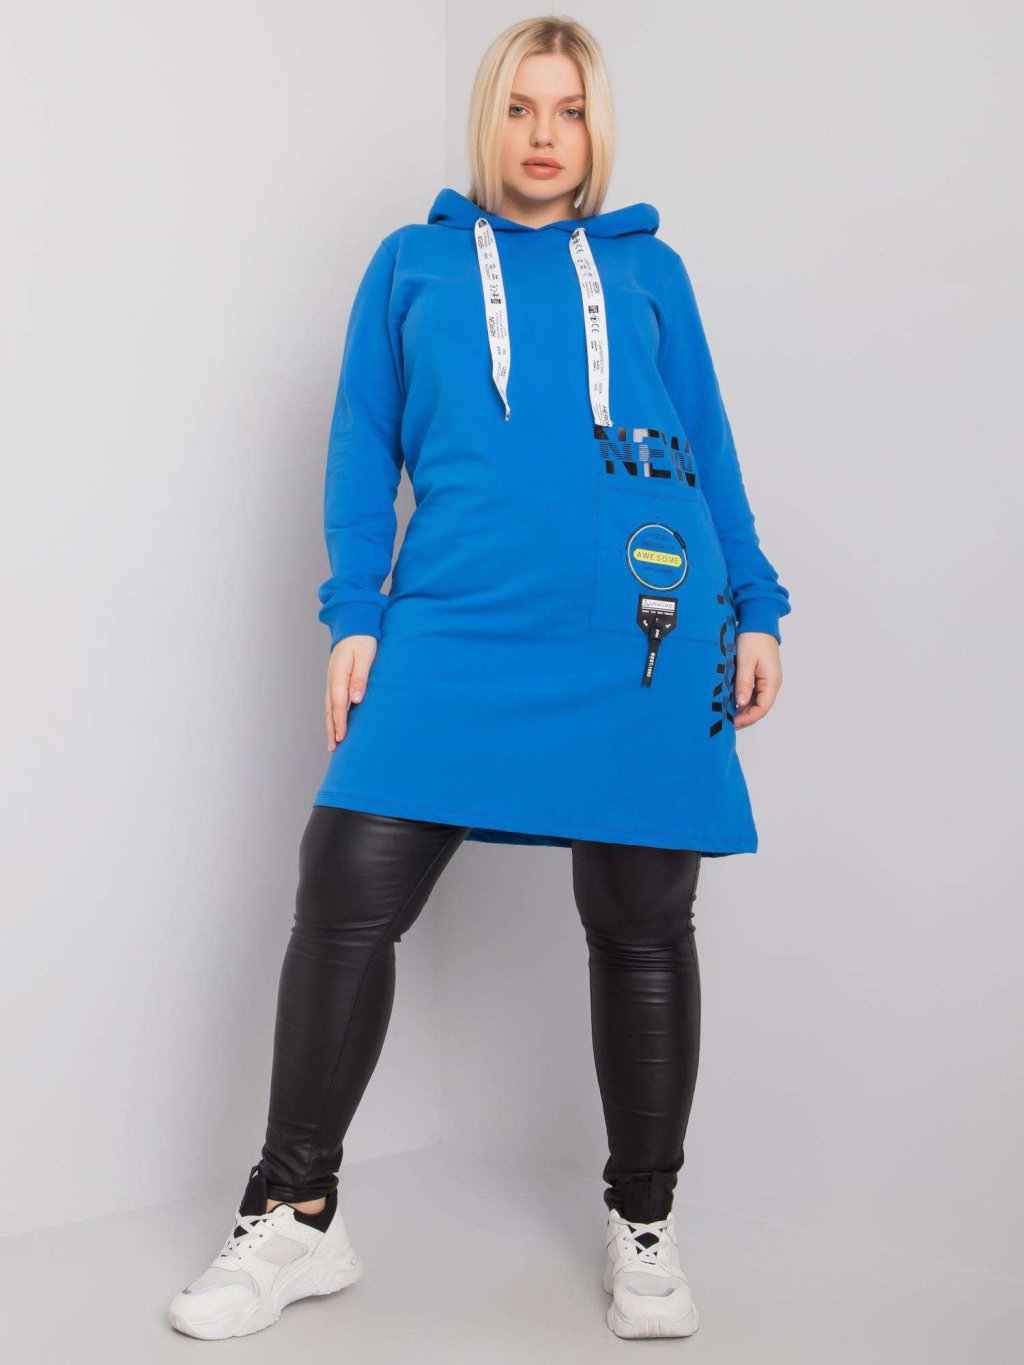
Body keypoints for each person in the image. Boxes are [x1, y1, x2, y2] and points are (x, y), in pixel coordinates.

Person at [169, 14, 790, 1344]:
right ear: (488, 121)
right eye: (520, 108)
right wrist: (355, 612)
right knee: (346, 884)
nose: (544, 136)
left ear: (595, 128)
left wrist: (756, 602)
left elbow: (708, 443)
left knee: (641, 921)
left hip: (642, 631)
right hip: (454, 626)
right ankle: (296, 1214)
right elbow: (362, 441)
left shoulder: (651, 270)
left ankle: (643, 1224)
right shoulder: (415, 263)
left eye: (568, 110)